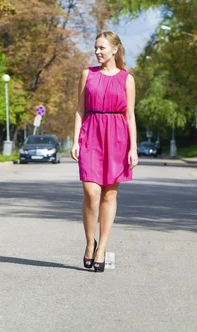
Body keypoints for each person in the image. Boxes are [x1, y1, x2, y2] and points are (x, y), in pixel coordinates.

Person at [70, 31, 138, 273]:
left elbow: (130, 115)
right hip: (91, 134)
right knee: (91, 192)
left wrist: (133, 147)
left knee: (109, 195)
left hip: (117, 137)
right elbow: (79, 110)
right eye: (96, 47)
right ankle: (90, 242)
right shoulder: (87, 75)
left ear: (115, 50)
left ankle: (102, 248)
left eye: (102, 48)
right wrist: (76, 140)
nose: (98, 51)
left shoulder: (127, 79)